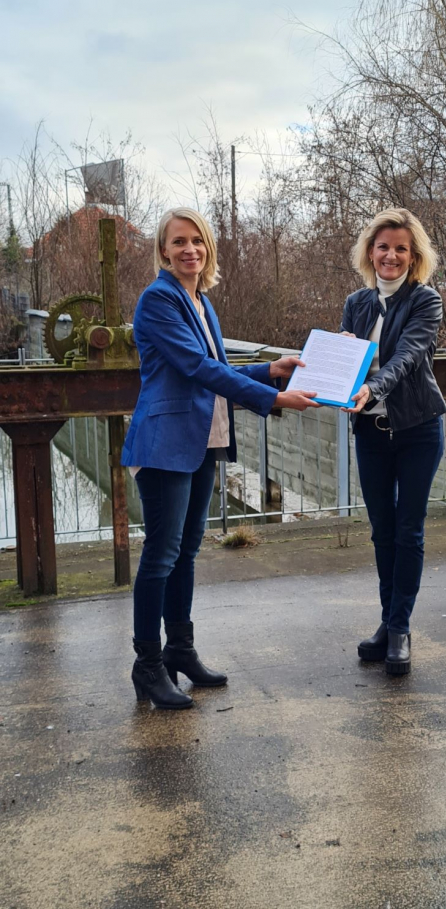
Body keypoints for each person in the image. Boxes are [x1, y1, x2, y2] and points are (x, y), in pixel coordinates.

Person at [122, 207, 318, 709]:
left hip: (203, 440)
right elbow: (196, 368)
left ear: (207, 249)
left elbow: (219, 368)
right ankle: (147, 666)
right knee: (161, 556)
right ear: (163, 250)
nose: (190, 249)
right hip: (166, 444)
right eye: (179, 242)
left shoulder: (200, 301)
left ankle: (179, 651)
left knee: (185, 552)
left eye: (198, 241)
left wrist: (270, 369)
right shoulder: (158, 300)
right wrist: (275, 398)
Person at [341, 208, 446, 675]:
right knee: (382, 531)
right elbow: (349, 365)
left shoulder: (426, 301)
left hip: (418, 429)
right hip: (371, 432)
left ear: (414, 255)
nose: (391, 255)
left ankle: (401, 628)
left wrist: (373, 387)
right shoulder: (356, 303)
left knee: (409, 529)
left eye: (401, 248)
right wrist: (340, 376)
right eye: (383, 246)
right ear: (370, 252)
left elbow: (406, 357)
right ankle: (387, 622)